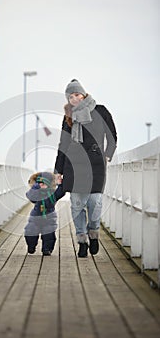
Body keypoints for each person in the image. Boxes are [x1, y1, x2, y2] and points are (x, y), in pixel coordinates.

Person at [54, 79, 117, 258]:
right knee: (77, 205)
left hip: (96, 164)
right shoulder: (68, 117)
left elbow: (112, 136)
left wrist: (107, 154)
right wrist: (58, 171)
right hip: (73, 166)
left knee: (95, 203)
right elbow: (63, 144)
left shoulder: (101, 111)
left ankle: (93, 233)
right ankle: (82, 240)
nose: (74, 99)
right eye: (70, 96)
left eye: (76, 95)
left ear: (84, 94)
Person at [24, 171, 65, 256]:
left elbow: (61, 192)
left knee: (49, 234)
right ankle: (31, 246)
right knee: (30, 231)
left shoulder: (52, 194)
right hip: (35, 217)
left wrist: (61, 183)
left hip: (49, 218)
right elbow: (30, 196)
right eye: (40, 183)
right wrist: (36, 186)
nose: (43, 185)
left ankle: (47, 249)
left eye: (44, 183)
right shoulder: (36, 193)